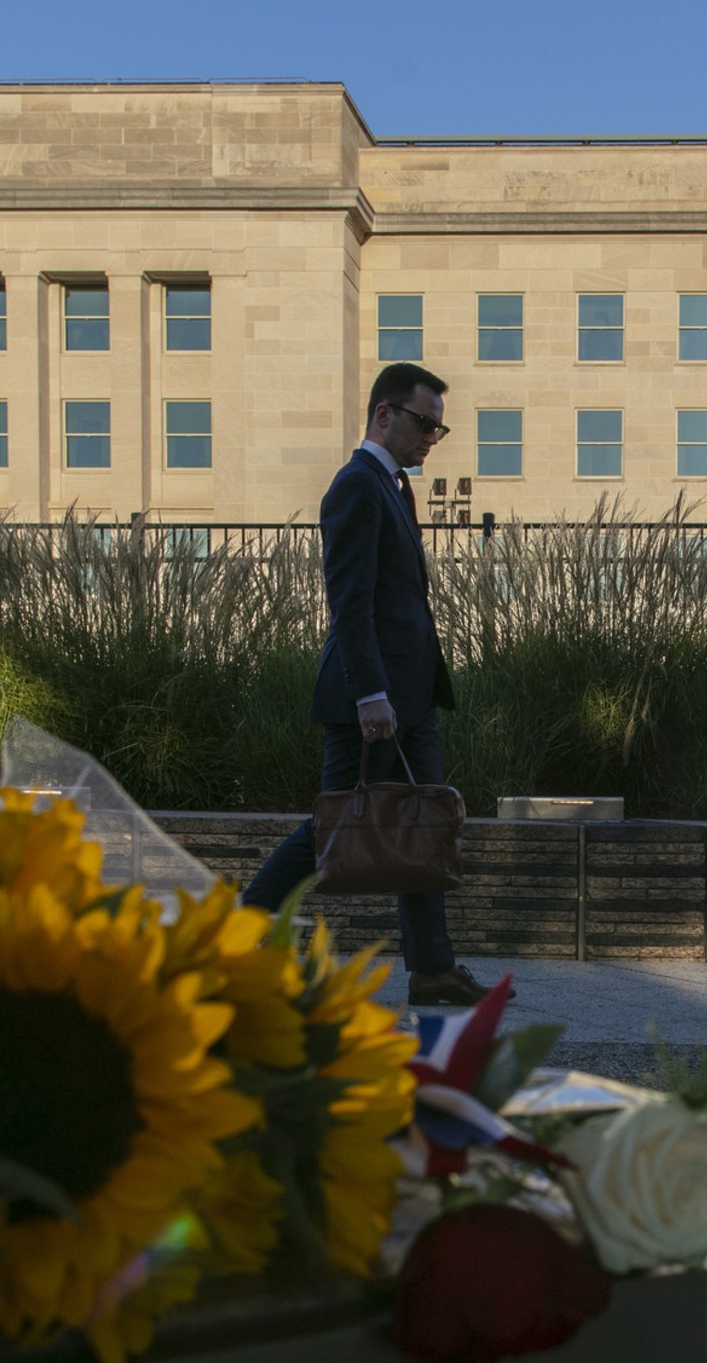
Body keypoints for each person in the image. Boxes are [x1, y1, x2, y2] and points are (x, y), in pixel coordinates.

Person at [241, 362, 493, 1009]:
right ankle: (236, 934)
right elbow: (349, 602)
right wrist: (369, 693)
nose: (431, 439)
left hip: (413, 696)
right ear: (384, 414)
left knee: (423, 829)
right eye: (424, 424)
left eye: (440, 429)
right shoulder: (356, 486)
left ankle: (433, 969)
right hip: (374, 698)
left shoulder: (393, 488)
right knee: (333, 827)